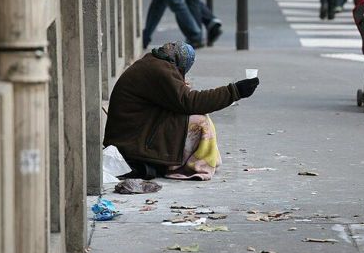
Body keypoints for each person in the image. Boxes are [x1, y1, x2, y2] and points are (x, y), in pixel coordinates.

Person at [103, 41, 260, 180]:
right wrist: (234, 91)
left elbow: (179, 101)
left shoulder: (153, 63)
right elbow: (190, 102)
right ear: (180, 65)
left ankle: (180, 161)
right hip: (131, 141)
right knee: (201, 122)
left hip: (132, 134)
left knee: (192, 117)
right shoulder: (159, 71)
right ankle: (196, 166)